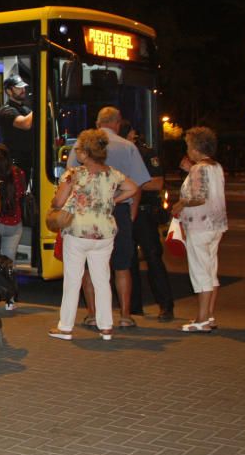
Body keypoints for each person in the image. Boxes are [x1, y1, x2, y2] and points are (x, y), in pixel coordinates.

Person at [49, 129, 138, 342]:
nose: (76, 152)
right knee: (102, 279)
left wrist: (58, 201)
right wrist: (112, 201)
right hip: (104, 233)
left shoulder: (74, 174)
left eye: (78, 149)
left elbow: (59, 202)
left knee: (72, 279)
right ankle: (106, 326)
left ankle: (65, 327)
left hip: (78, 232)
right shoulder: (112, 174)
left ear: (85, 153)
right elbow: (133, 188)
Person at [68, 107, 150, 329]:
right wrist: (126, 208)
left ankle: (93, 314)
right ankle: (125, 315)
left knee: (88, 267)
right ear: (117, 123)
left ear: (98, 122)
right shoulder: (128, 147)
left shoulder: (80, 146)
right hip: (118, 212)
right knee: (122, 265)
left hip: (86, 214)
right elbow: (138, 183)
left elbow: (70, 179)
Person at [170, 127, 227, 332]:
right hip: (216, 225)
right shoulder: (215, 166)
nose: (188, 150)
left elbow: (198, 197)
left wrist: (181, 204)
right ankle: (209, 315)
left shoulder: (199, 169)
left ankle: (201, 319)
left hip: (200, 225)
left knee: (200, 271)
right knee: (211, 269)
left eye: (188, 146)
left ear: (195, 148)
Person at [120, 121, 175, 321]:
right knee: (128, 261)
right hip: (124, 211)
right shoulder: (119, 153)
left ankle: (166, 306)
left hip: (144, 213)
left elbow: (157, 183)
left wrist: (132, 184)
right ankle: (134, 308)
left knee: (153, 258)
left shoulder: (145, 153)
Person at [0, 143, 25, 310]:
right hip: (14, 223)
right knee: (9, 263)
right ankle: (10, 300)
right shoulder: (18, 173)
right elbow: (21, 194)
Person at [0, 74, 33, 179]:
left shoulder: (26, 110)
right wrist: (40, 104)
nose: (23, 90)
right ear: (9, 91)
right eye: (18, 88)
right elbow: (25, 124)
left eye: (23, 87)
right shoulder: (6, 111)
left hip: (27, 162)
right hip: (14, 165)